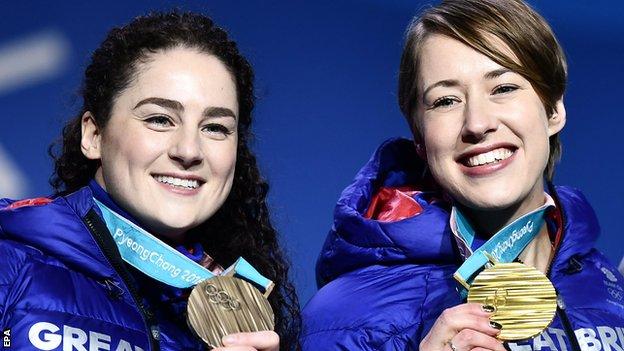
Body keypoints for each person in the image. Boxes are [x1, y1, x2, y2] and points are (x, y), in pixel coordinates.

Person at [300, 0, 624, 350]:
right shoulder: (344, 319)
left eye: (503, 88)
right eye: (446, 101)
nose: (477, 124)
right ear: (420, 138)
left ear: (554, 111)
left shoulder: (609, 289)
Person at [0, 11, 299, 351]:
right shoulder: (9, 262)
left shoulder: (239, 314)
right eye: (159, 119)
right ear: (94, 135)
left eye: (215, 127)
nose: (189, 150)